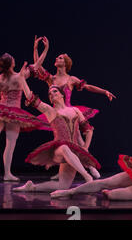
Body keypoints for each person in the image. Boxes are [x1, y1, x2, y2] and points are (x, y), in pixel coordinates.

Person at [13, 63, 101, 192]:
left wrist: (85, 148)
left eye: (54, 91)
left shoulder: (75, 111)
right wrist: (21, 80)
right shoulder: (50, 111)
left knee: (63, 186)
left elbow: (88, 130)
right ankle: (87, 177)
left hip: (73, 153)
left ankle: (31, 187)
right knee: (65, 147)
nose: (51, 94)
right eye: (49, 93)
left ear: (61, 95)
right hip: (58, 150)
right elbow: (31, 98)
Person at [0, 54, 49, 181]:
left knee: (10, 144)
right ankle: (7, 174)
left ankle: (7, 174)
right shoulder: (18, 77)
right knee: (10, 144)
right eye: (13, 59)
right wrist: (46, 49)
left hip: (1, 110)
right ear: (12, 63)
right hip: (14, 113)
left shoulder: (1, 78)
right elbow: (37, 65)